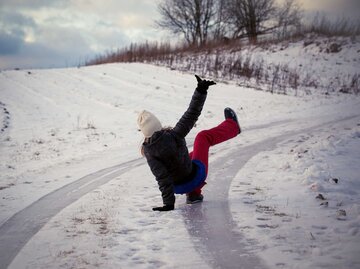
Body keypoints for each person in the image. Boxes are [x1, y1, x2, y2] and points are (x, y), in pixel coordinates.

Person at [137, 75, 241, 211]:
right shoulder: (174, 135)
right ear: (158, 125)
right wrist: (201, 90)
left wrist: (168, 204)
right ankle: (233, 126)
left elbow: (162, 178)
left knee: (189, 155)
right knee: (202, 138)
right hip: (194, 178)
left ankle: (193, 196)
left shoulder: (149, 151)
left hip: (178, 187)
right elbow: (191, 113)